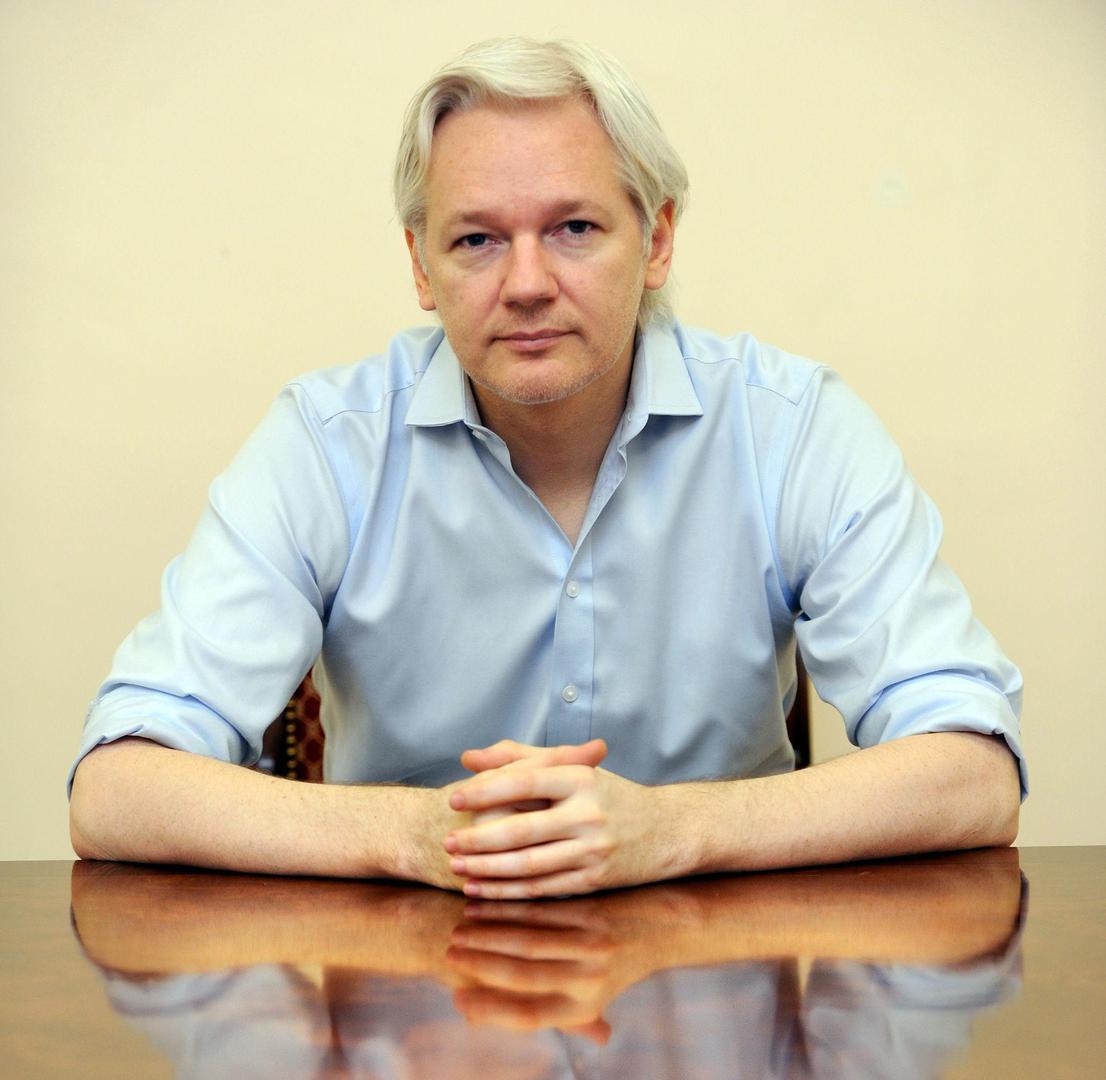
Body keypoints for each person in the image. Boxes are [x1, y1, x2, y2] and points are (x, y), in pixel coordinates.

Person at [69, 38, 1025, 900]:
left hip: (718, 980)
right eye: (476, 240)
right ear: (421, 266)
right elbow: (116, 792)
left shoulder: (792, 427)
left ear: (656, 239)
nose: (526, 284)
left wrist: (672, 830)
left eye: (573, 228)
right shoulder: (327, 444)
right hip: (408, 985)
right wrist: (421, 834)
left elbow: (973, 773)